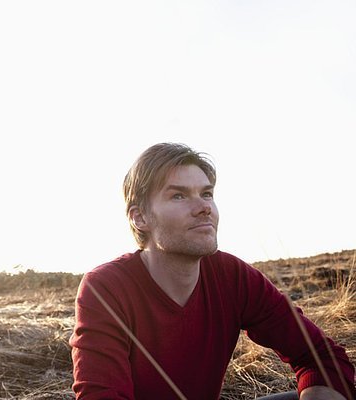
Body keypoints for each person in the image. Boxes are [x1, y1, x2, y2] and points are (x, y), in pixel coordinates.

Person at [69, 143, 355, 400]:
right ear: (140, 217)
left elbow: (322, 357)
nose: (204, 207)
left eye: (206, 193)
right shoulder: (106, 288)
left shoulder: (232, 275)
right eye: (179, 196)